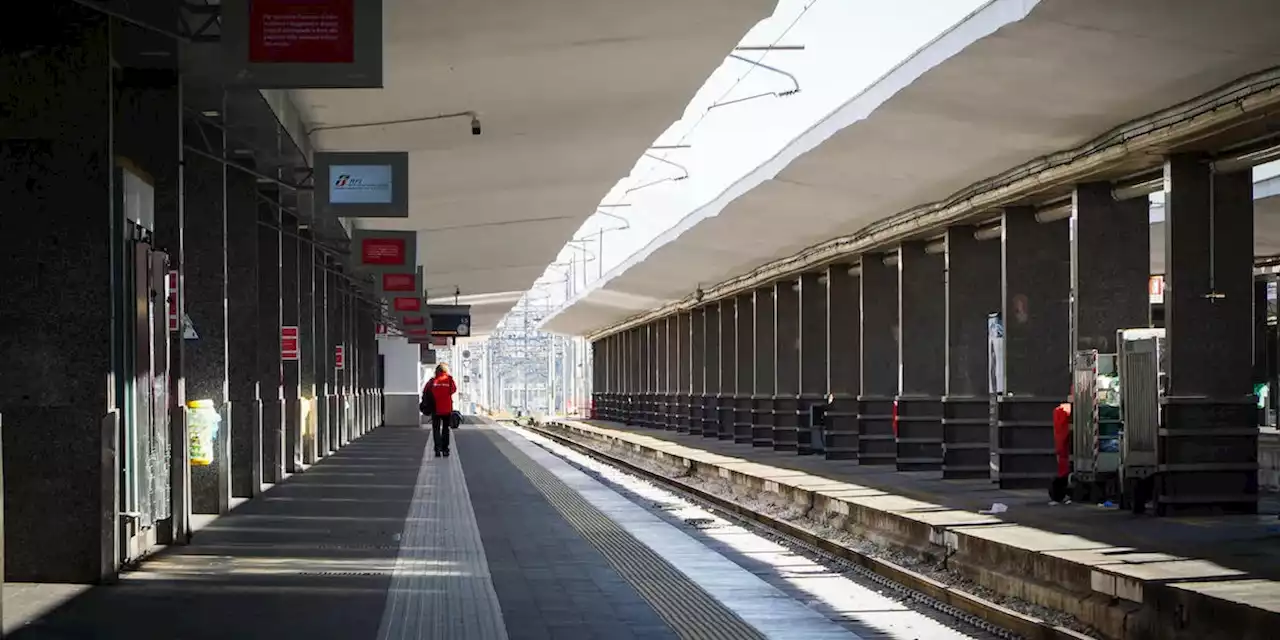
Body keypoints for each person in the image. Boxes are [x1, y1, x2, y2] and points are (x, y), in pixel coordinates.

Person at [424, 363, 458, 457]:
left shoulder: (432, 381)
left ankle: (437, 449)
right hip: (447, 408)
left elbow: (426, 391)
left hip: (435, 408)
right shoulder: (449, 380)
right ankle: (445, 449)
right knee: (446, 429)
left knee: (436, 429)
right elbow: (453, 390)